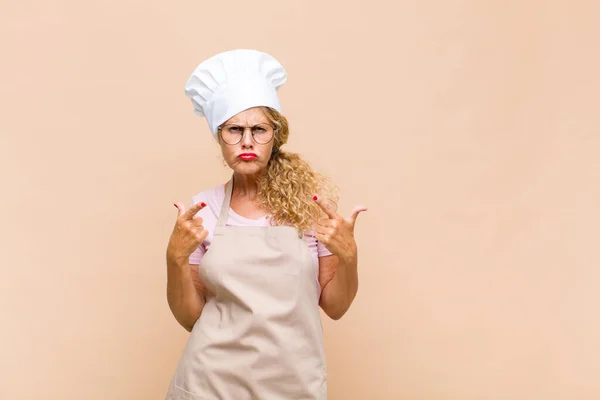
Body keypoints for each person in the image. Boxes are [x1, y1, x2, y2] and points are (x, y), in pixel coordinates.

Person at [164, 49, 366, 400]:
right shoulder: (204, 208)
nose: (246, 141)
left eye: (259, 130)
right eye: (234, 130)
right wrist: (175, 259)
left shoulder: (312, 207)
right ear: (219, 136)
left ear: (275, 136)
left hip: (291, 385)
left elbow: (334, 307)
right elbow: (190, 317)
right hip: (211, 383)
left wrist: (349, 257)